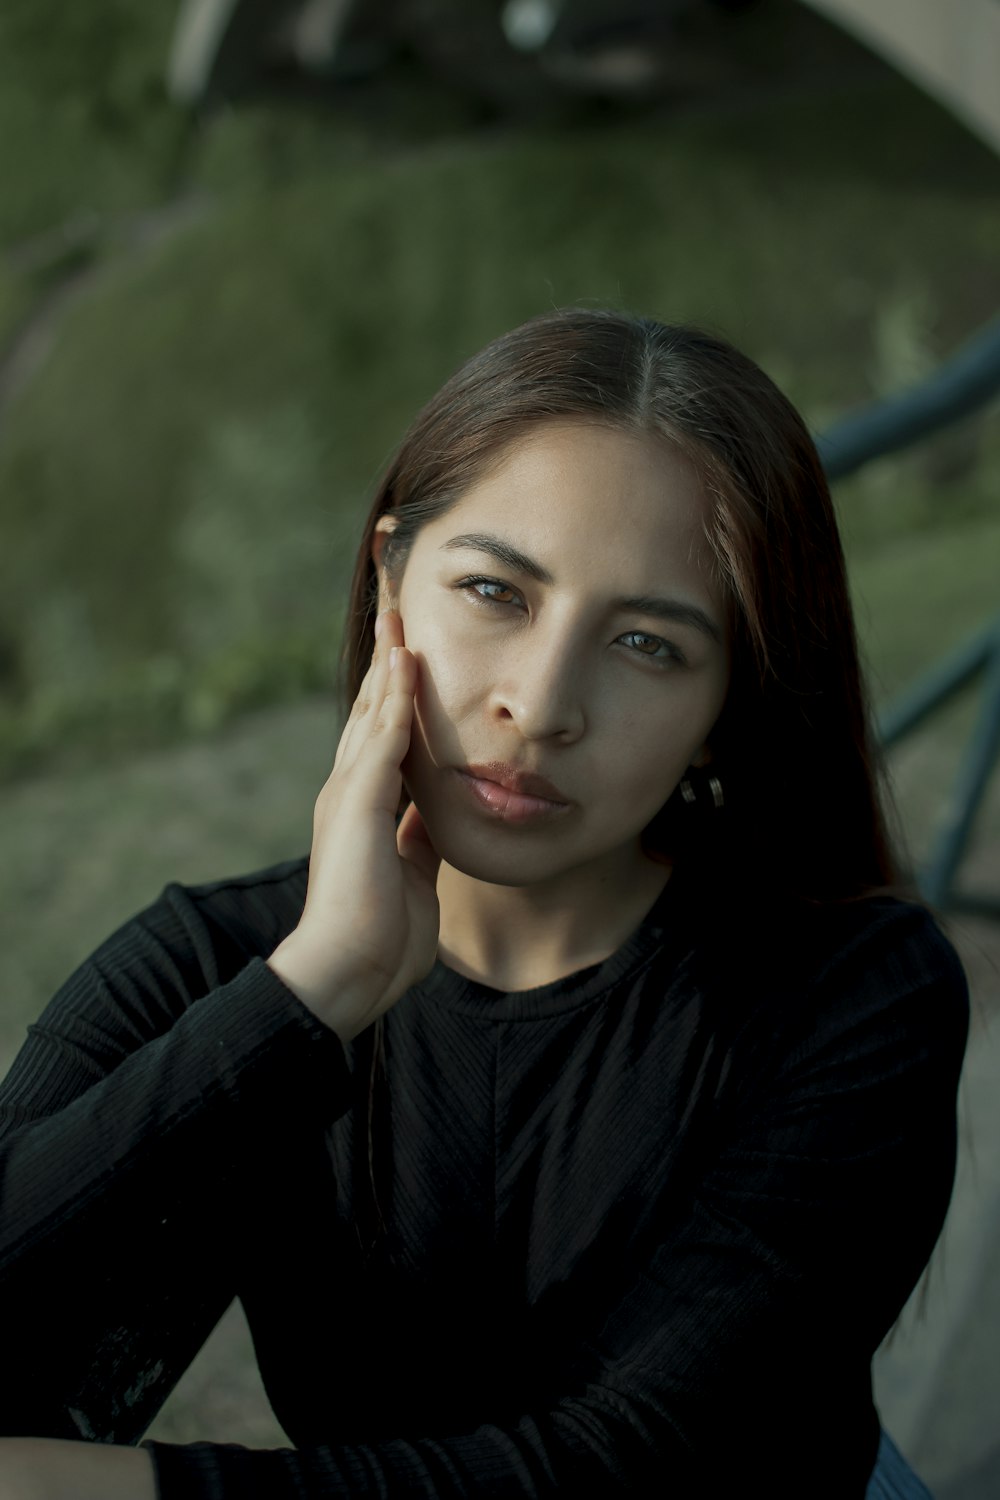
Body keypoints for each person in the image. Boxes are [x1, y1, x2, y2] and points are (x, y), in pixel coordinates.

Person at [0, 309, 968, 1498]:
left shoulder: (851, 991)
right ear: (388, 577)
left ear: (728, 701)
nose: (543, 702)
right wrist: (310, 998)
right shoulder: (222, 963)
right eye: (494, 591)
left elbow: (637, 1464)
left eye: (648, 646)